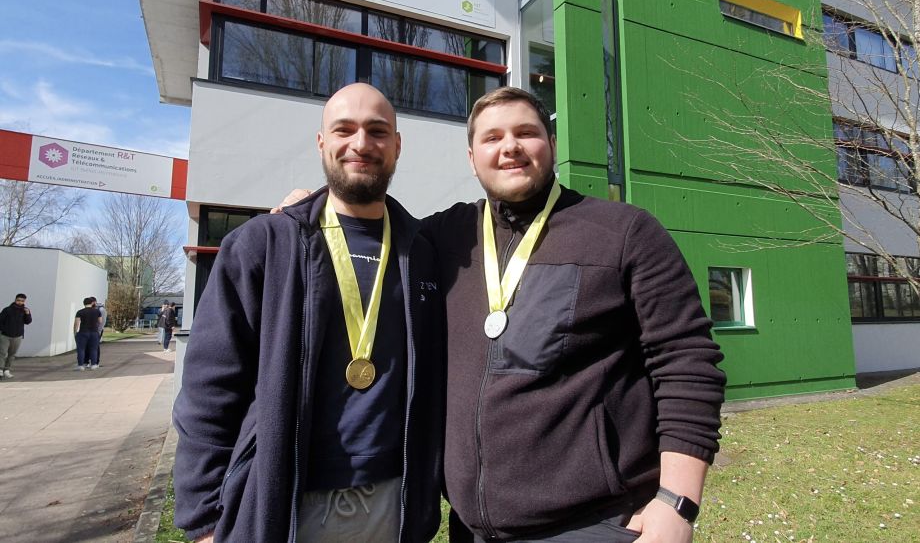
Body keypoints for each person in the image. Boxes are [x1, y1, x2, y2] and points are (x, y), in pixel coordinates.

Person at [277, 87, 726, 542]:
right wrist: (311, 208)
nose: (509, 146)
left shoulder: (624, 233)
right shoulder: (442, 238)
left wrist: (676, 504)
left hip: (594, 525)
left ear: (551, 145)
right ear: (473, 158)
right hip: (471, 531)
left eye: (525, 133)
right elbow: (370, 222)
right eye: (492, 138)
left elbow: (687, 364)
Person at [173, 83, 444, 543]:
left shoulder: (425, 251)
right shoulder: (264, 244)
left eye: (378, 131)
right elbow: (209, 387)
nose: (361, 144)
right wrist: (204, 519)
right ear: (322, 142)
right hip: (284, 503)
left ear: (397, 145)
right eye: (345, 129)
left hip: (394, 502)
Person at [0, 293, 33, 379]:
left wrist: (28, 314)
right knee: (2, 353)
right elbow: (0, 321)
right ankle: (0, 369)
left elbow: (28, 322)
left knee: (12, 354)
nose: (20, 302)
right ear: (15, 300)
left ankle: (6, 370)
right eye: (18, 300)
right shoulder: (7, 310)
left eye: (22, 301)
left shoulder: (25, 310)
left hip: (18, 336)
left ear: (24, 301)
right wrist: (4, 330)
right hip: (5, 336)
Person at [73, 297, 101, 371]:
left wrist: (75, 332)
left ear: (84, 303)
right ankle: (94, 364)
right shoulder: (97, 311)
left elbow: (76, 323)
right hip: (94, 332)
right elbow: (100, 321)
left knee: (81, 349)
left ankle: (81, 365)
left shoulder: (80, 312)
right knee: (94, 349)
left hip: (83, 332)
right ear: (92, 303)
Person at [93, 297, 107, 366]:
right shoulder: (94, 308)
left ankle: (96, 362)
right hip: (92, 330)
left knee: (95, 346)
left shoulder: (101, 309)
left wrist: (99, 331)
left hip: (97, 331)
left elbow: (102, 322)